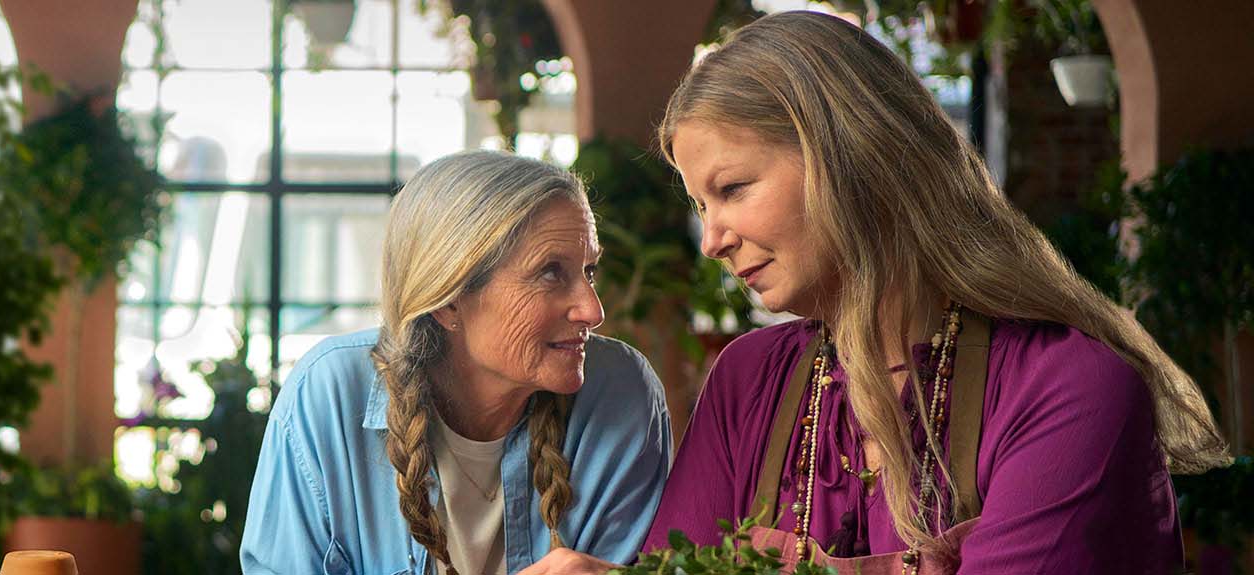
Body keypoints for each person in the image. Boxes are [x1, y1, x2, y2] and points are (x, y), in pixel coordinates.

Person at [642, 11, 1228, 574]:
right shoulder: (746, 382)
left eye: (733, 188)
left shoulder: (1067, 387)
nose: (712, 241)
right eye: (701, 206)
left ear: (849, 156)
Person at [240, 151, 671, 575]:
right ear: (447, 302)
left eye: (589, 271)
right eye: (551, 273)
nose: (592, 311)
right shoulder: (331, 396)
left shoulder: (621, 393)